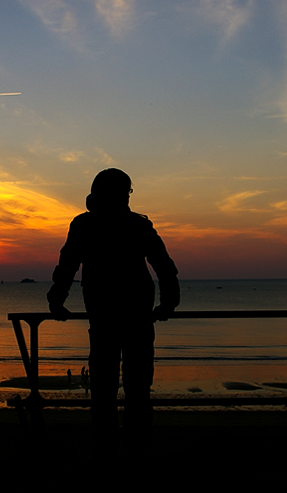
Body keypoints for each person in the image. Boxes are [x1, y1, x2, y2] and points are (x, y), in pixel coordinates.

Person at [46, 168, 179, 457]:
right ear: (123, 194)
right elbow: (164, 266)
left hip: (103, 313)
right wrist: (168, 303)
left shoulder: (84, 225)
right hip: (136, 313)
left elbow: (67, 266)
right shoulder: (137, 225)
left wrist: (56, 301)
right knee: (138, 389)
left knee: (104, 390)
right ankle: (136, 450)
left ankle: (105, 450)